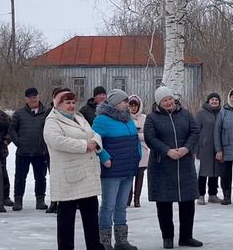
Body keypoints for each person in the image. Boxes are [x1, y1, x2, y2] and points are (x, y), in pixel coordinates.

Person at [43, 89, 106, 250]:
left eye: (73, 102)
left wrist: (95, 142)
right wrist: (85, 146)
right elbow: (58, 141)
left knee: (91, 216)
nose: (71, 106)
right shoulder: (52, 121)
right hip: (68, 177)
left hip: (87, 174)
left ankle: (95, 246)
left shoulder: (79, 117)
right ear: (58, 104)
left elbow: (93, 133)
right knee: (66, 218)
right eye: (67, 102)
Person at [144, 86, 202, 249]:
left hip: (184, 164)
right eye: (164, 100)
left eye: (170, 99)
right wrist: (167, 151)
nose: (168, 102)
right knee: (164, 203)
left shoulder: (185, 114)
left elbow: (194, 132)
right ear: (158, 103)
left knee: (187, 202)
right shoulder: (152, 118)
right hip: (162, 165)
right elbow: (150, 138)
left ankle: (186, 237)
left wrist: (186, 148)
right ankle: (167, 237)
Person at [93, 89, 141, 250]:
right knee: (108, 205)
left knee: (121, 206)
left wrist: (138, 155)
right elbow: (94, 142)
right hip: (111, 171)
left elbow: (135, 140)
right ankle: (104, 241)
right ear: (114, 103)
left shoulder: (128, 119)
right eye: (124, 101)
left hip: (128, 168)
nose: (127, 104)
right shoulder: (102, 120)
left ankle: (121, 240)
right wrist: (104, 157)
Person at [8, 87, 49, 211]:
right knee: (20, 177)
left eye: (34, 97)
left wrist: (45, 143)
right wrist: (18, 142)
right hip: (23, 152)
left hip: (40, 151)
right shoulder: (19, 113)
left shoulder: (46, 113)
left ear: (38, 97)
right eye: (30, 97)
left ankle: (40, 200)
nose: (33, 99)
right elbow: (11, 129)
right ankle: (18, 200)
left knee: (41, 177)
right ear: (26, 99)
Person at [194, 92, 223, 205]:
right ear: (208, 101)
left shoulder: (221, 113)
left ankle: (213, 194)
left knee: (215, 172)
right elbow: (195, 131)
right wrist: (195, 148)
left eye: (216, 100)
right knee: (203, 172)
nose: (214, 101)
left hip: (217, 148)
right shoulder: (201, 113)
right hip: (204, 148)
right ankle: (200, 195)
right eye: (212, 100)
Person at [127, 94, 148, 208]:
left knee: (140, 175)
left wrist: (137, 135)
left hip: (142, 150)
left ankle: (137, 198)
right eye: (131, 105)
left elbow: (148, 135)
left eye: (135, 105)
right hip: (129, 150)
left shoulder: (145, 118)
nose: (133, 108)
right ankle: (128, 197)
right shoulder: (125, 117)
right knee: (129, 175)